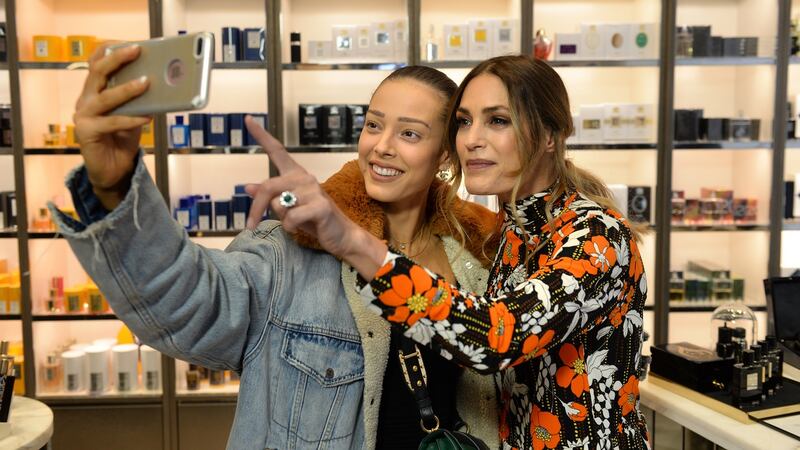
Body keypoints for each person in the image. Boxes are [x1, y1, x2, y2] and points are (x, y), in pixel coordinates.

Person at [53, 43, 500, 450]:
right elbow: (185, 302)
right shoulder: (293, 255)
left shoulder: (480, 263)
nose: (380, 147)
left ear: (444, 155)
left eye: (409, 134)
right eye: (373, 125)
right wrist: (114, 187)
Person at [248, 55, 651, 449]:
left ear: (549, 136)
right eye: (464, 122)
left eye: (498, 120)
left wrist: (352, 240)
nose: (471, 139)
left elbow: (498, 338)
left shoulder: (596, 235)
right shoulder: (510, 233)